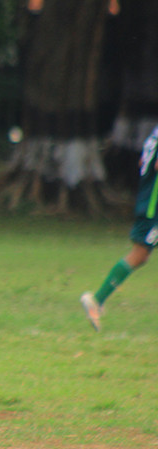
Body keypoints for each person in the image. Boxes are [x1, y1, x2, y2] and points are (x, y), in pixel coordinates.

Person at [81, 124, 158, 331]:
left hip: (149, 199)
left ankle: (97, 300)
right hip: (154, 205)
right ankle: (96, 300)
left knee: (140, 255)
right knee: (140, 253)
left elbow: (144, 161)